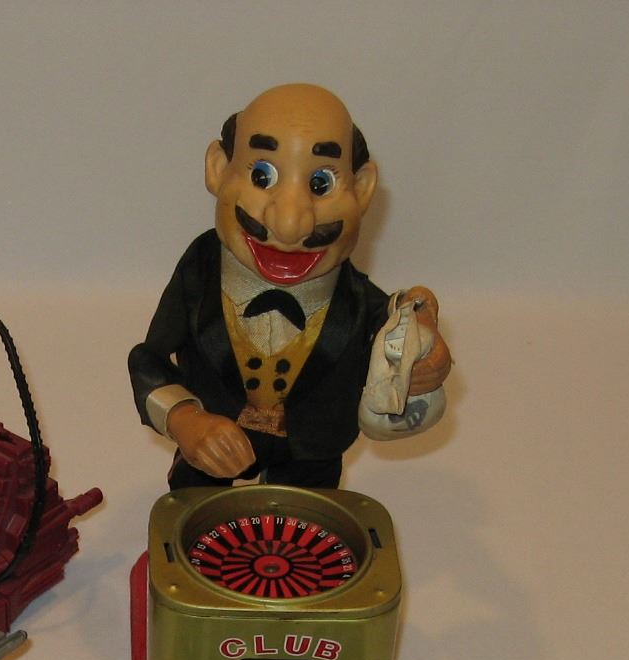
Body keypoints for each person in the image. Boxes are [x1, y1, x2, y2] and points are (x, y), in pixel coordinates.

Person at [129, 83, 452, 490]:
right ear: (218, 169)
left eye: (321, 184)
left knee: (307, 524)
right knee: (191, 515)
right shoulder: (199, 274)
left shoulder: (354, 302)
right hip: (208, 457)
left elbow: (395, 326)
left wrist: (420, 346)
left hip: (310, 457)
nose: (289, 224)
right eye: (262, 176)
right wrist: (185, 418)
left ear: (362, 190)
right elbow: (148, 361)